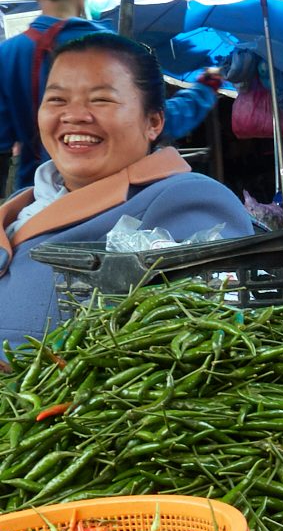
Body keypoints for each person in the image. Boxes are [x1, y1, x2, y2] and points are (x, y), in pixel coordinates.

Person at [0, 33, 254, 351]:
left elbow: (206, 342)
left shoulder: (188, 198)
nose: (74, 114)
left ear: (154, 122)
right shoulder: (24, 202)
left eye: (101, 99)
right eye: (57, 100)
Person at [0, 0, 222, 191]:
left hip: (37, 201)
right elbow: (159, 120)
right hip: (112, 202)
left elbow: (3, 137)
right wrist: (204, 89)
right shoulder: (115, 50)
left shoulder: (7, 55)